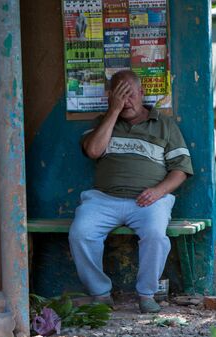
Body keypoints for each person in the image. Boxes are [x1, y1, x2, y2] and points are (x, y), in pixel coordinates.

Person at [68, 70, 193, 313]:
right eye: (119, 96)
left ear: (141, 93)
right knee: (81, 233)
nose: (126, 101)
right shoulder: (102, 123)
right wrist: (113, 112)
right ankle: (100, 294)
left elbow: (181, 170)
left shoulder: (164, 125)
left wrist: (158, 191)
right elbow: (93, 151)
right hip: (104, 199)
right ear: (110, 97)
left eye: (130, 95)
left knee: (156, 236)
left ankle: (146, 294)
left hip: (149, 200)